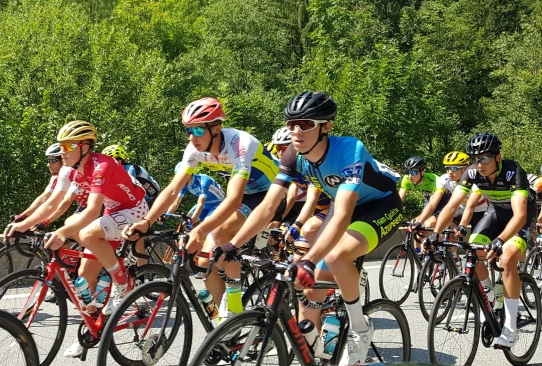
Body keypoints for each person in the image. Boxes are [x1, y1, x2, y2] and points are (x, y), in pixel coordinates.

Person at [222, 91, 403, 364]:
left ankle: (360, 327)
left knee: (334, 255)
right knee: (308, 296)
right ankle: (318, 351)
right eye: (290, 124)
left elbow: (342, 214)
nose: (296, 131)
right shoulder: (293, 155)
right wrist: (232, 245)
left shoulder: (349, 149)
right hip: (339, 206)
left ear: (326, 126)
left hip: (378, 206)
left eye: (305, 124)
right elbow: (268, 207)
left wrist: (309, 260)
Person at [126, 97, 281, 317]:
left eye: (198, 130)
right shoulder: (194, 148)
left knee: (219, 231)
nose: (192, 137)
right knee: (207, 259)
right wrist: (146, 221)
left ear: (216, 128)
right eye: (188, 130)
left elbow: (234, 199)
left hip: (272, 193)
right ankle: (221, 328)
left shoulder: (240, 144)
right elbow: (172, 190)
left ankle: (235, 310)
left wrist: (199, 230)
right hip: (246, 194)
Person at [7, 121, 147, 358]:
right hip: (112, 214)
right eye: (61, 146)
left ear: (85, 147)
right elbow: (54, 203)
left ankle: (122, 281)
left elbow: (92, 211)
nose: (63, 151)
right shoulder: (68, 169)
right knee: (84, 275)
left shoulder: (102, 165)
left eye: (68, 146)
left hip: (135, 210)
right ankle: (91, 328)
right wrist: (24, 224)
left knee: (86, 233)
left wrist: (61, 232)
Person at [430, 132, 536, 348]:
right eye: (475, 159)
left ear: (498, 157)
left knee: (506, 260)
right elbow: (452, 206)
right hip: (495, 212)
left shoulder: (513, 171)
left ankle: (510, 328)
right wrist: (436, 233)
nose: (479, 164)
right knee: (474, 252)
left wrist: (500, 240)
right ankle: (491, 299)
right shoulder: (471, 173)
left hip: (520, 216)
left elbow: (519, 216)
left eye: (484, 158)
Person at [165, 161, 226, 229]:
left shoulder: (204, 181)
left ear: (188, 174)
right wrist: (166, 216)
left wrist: (192, 220)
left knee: (205, 225)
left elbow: (200, 204)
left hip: (218, 204)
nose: (179, 180)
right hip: (206, 204)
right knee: (186, 223)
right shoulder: (184, 184)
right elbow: (176, 203)